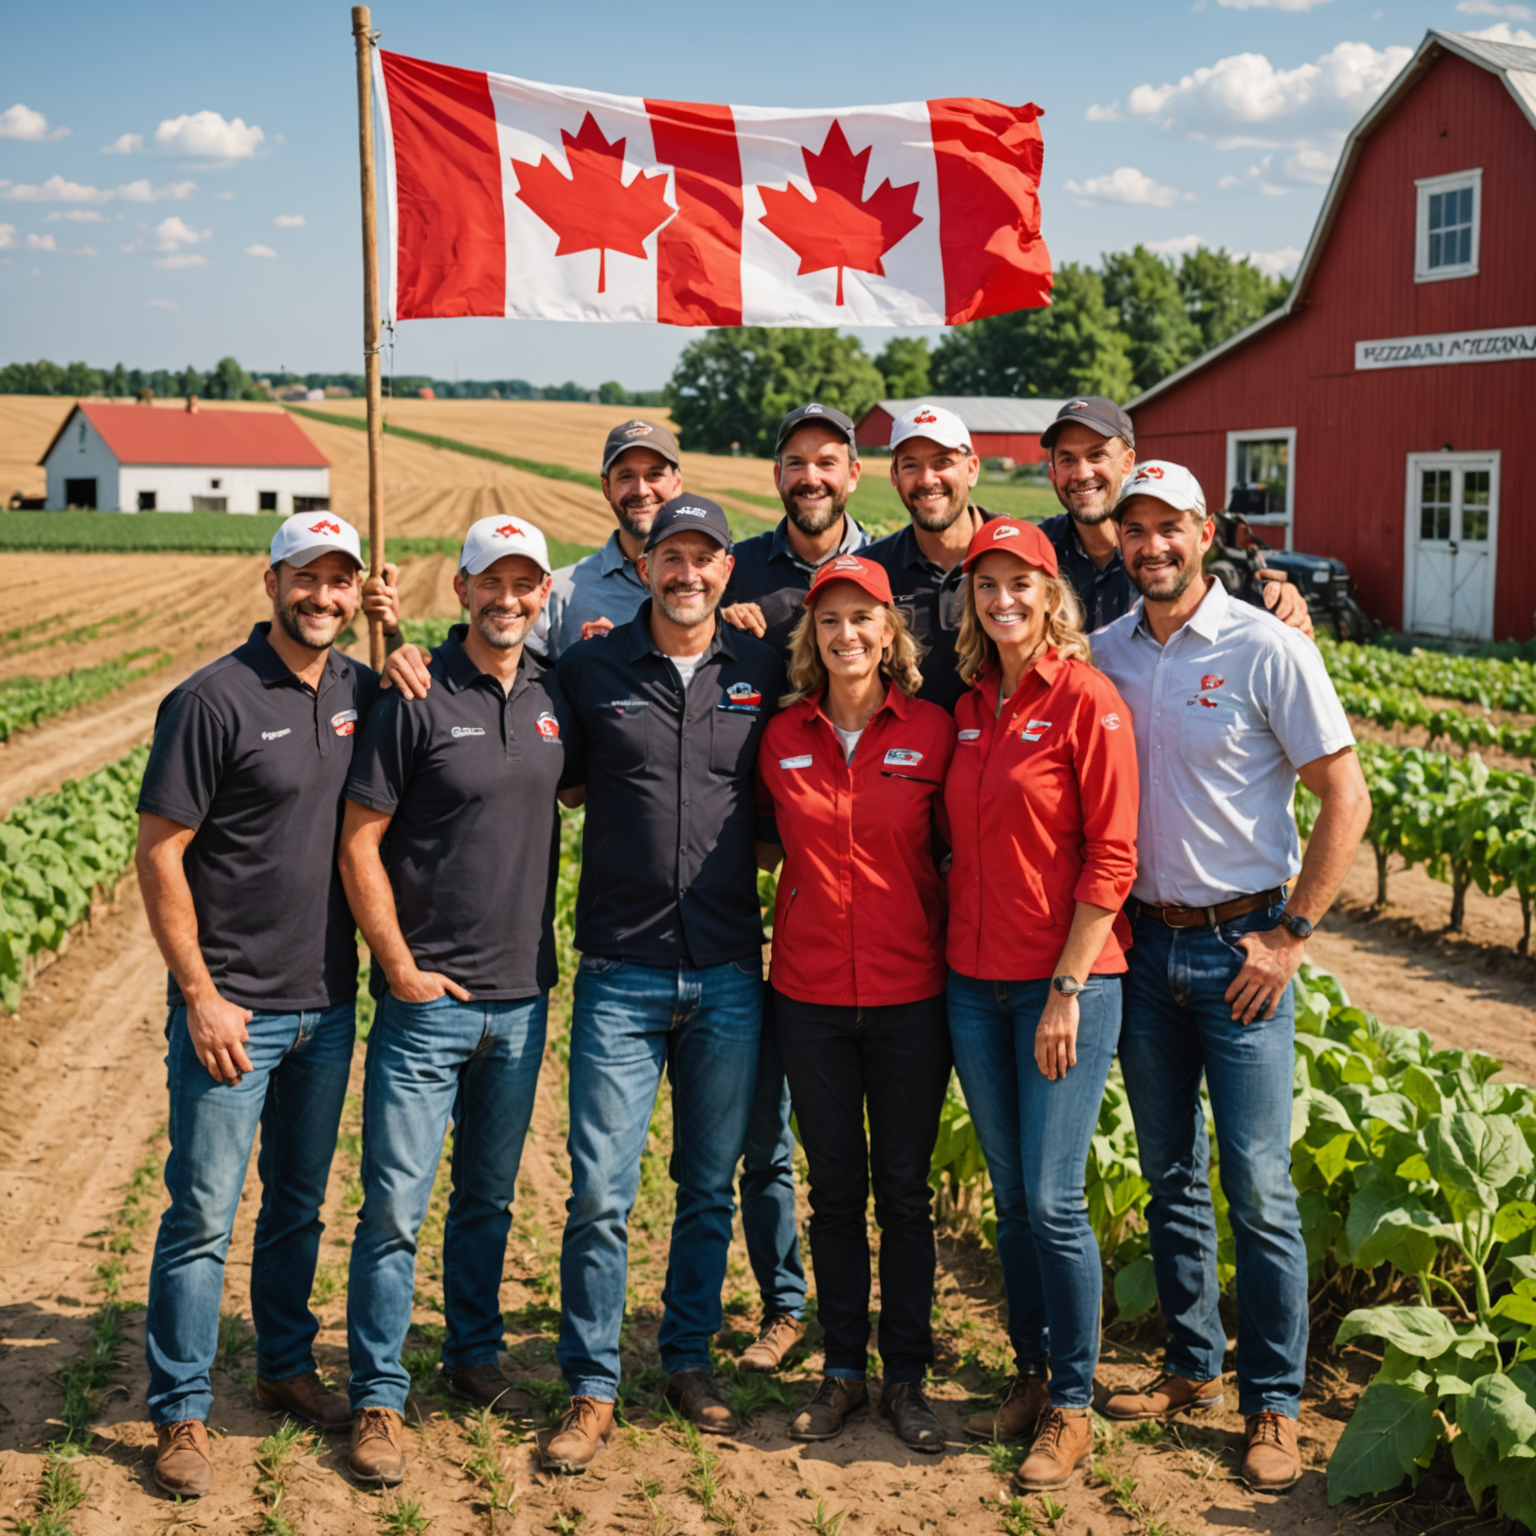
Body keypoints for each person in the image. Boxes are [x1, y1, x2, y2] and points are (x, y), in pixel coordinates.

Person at [1091, 461, 1370, 1493]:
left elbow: (1346, 797)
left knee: (1256, 1182)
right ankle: (1191, 1367)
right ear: (1119, 538)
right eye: (1137, 528)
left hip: (1242, 948)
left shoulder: (1268, 646)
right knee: (1169, 1176)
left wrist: (1292, 934)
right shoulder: (1104, 652)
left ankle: (1276, 1401)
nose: (1152, 544)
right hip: (1142, 947)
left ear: (1206, 531)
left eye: (1171, 526)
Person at [134, 512, 394, 1500]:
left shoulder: (360, 692)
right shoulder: (212, 701)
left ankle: (285, 1365)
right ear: (271, 580)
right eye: (307, 578)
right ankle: (181, 1412)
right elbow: (161, 855)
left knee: (295, 1207)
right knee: (202, 1213)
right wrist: (200, 995)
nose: (322, 597)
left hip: (327, 1004)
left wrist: (399, 638)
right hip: (233, 1009)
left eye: (341, 582)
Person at [542, 496, 784, 1473]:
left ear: (730, 570)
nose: (688, 572)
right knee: (600, 1193)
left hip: (729, 969)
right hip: (620, 972)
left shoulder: (763, 668)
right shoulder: (590, 666)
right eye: (670, 555)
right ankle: (591, 1386)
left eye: (706, 557)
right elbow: (530, 743)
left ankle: (687, 1358)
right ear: (642, 564)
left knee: (705, 1190)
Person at [336, 516, 571, 1486]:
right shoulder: (415, 692)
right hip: (427, 1000)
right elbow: (359, 840)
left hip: (522, 1000)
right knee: (395, 1201)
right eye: (491, 582)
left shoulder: (561, 699)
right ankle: (379, 1396)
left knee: (486, 1199)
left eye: (525, 585)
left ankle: (472, 1355)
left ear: (542, 595)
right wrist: (396, 965)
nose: (508, 600)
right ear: (462, 589)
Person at [941, 517, 1140, 1494]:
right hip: (974, 986)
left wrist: (1067, 983)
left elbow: (1112, 856)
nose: (1003, 600)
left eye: (1021, 583)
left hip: (1068, 985)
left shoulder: (1087, 701)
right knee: (1013, 1201)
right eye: (987, 585)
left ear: (1050, 594)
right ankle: (1029, 1369)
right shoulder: (971, 707)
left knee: (1058, 1202)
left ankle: (1073, 1402)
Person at [754, 553, 956, 1451]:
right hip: (810, 997)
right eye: (828, 620)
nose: (846, 635)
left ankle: (905, 1377)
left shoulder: (935, 732)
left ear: (890, 633)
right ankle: (842, 1369)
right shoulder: (781, 736)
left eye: (863, 619)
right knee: (835, 1192)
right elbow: (762, 847)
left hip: (913, 992)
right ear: (812, 636)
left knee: (904, 1194)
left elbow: (959, 852)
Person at [711, 400, 882, 1374]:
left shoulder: (896, 565)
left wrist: (1268, 587)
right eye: (793, 461)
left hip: (867, 877)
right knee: (766, 1132)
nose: (809, 476)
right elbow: (629, 602)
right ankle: (785, 1302)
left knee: (871, 1148)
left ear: (853, 472)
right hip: (759, 877)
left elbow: (1023, 581)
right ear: (775, 472)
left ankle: (876, 1327)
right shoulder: (735, 568)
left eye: (827, 461)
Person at [1036, 396, 1311, 637]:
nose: (1082, 473)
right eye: (1067, 459)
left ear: (1128, 463)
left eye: (1097, 455)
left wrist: (1285, 603)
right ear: (1053, 472)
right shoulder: (1035, 553)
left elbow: (1265, 627)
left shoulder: (1196, 555)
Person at [862, 403, 996, 714]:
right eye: (910, 466)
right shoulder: (872, 571)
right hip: (907, 753)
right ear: (894, 477)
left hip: (1002, 750)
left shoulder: (1019, 557)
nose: (927, 479)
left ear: (972, 469)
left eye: (943, 462)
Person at [538, 418, 683, 654]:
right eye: (626, 477)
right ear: (607, 487)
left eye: (654, 475)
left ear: (676, 484)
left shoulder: (719, 582)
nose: (641, 490)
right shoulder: (559, 595)